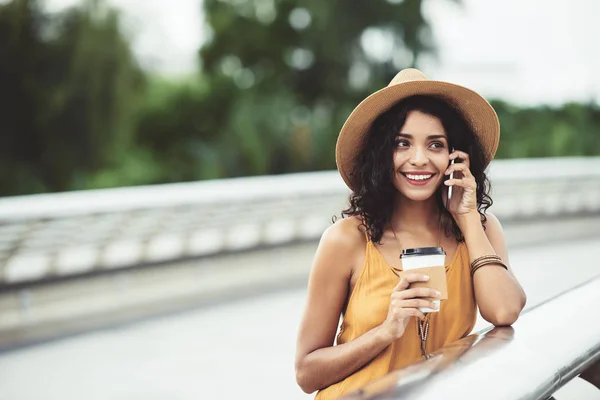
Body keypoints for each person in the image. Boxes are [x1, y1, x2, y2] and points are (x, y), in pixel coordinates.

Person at [294, 68, 527, 399]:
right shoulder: (346, 240)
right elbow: (306, 372)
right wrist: (385, 331)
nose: (419, 159)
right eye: (402, 144)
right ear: (381, 155)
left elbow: (504, 312)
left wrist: (467, 217)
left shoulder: (482, 229)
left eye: (435, 144)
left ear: (455, 156)